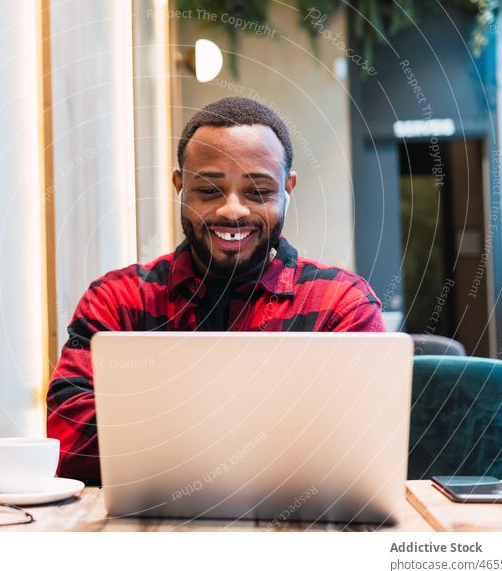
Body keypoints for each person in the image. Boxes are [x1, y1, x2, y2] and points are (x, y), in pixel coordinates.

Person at [47, 96, 384, 485]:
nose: (233, 210)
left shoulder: (341, 306)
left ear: (288, 189)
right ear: (180, 186)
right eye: (209, 191)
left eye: (258, 192)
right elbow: (69, 440)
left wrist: (155, 426)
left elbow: (361, 447)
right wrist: (260, 432)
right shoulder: (118, 302)